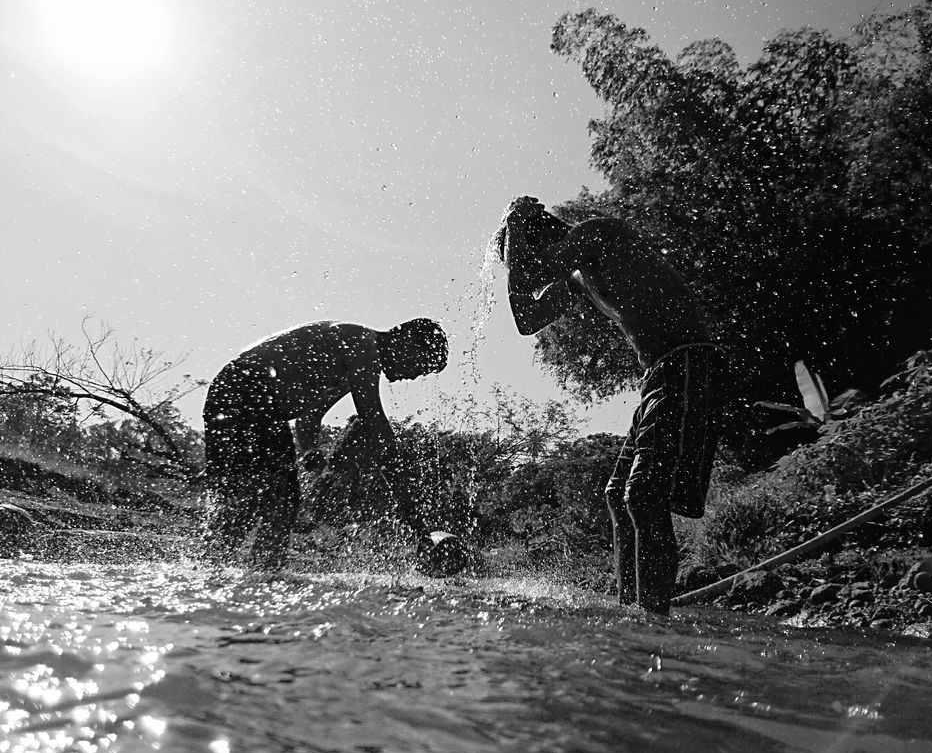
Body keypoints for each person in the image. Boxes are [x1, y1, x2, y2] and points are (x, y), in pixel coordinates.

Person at [497, 196, 724, 614]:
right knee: (618, 494)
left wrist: (514, 226)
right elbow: (526, 318)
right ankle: (631, 614)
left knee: (643, 494)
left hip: (689, 359)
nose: (525, 262)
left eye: (530, 249)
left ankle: (653, 622)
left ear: (545, 238)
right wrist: (517, 243)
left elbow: (529, 272)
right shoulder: (580, 278)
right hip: (657, 375)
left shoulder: (596, 233)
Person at [202, 317, 448, 571]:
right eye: (421, 364)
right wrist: (407, 501)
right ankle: (261, 575)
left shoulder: (354, 362)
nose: (414, 375)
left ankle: (217, 569)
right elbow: (374, 422)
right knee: (278, 497)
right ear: (405, 341)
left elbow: (308, 419)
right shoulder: (365, 347)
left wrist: (309, 451)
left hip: (234, 390)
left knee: (249, 494)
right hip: (247, 389)